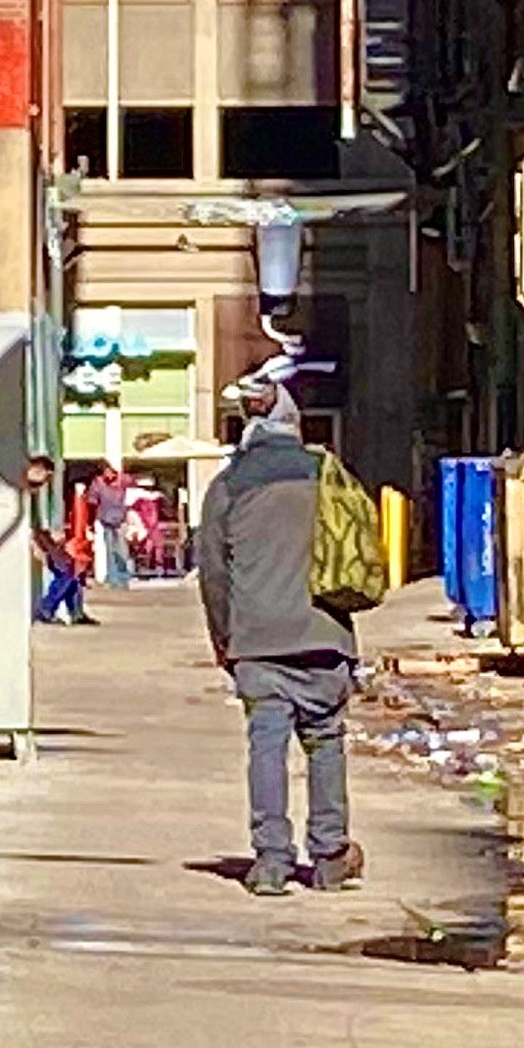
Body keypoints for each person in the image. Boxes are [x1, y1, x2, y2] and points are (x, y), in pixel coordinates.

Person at [197, 379, 359, 895]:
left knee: (266, 745)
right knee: (325, 741)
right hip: (324, 631)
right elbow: (355, 546)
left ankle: (271, 861)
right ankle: (330, 855)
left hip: (258, 640)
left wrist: (224, 638)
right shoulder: (327, 473)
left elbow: (213, 574)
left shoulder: (228, 485)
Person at [28, 457, 93, 627]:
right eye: (46, 476)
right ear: (37, 470)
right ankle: (47, 609)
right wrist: (37, 545)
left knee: (72, 571)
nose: (47, 481)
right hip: (36, 538)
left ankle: (75, 611)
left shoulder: (33, 492)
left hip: (42, 537)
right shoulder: (25, 491)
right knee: (66, 572)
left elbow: (35, 522)